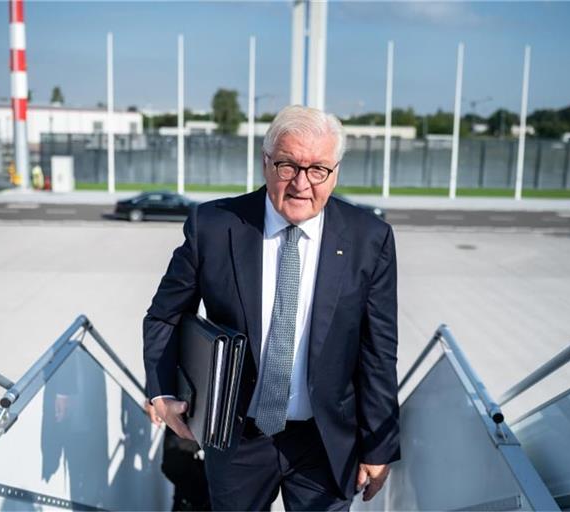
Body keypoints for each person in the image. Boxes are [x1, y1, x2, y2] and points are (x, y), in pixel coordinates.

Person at [143, 105, 400, 511]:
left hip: (326, 441)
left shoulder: (370, 239)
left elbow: (379, 352)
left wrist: (379, 446)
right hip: (236, 437)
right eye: (287, 166)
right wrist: (161, 391)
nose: (302, 183)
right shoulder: (214, 226)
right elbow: (164, 316)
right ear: (265, 163)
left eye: (318, 169)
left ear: (335, 173)